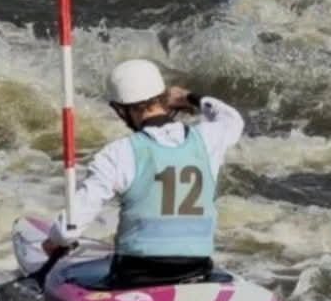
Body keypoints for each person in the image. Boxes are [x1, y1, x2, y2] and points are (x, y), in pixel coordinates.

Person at [41, 59, 245, 288]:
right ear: (162, 97)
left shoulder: (118, 153)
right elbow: (232, 119)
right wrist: (189, 97)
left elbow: (69, 229)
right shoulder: (208, 139)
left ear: (122, 110)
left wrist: (55, 241)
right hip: (196, 269)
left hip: (137, 275)